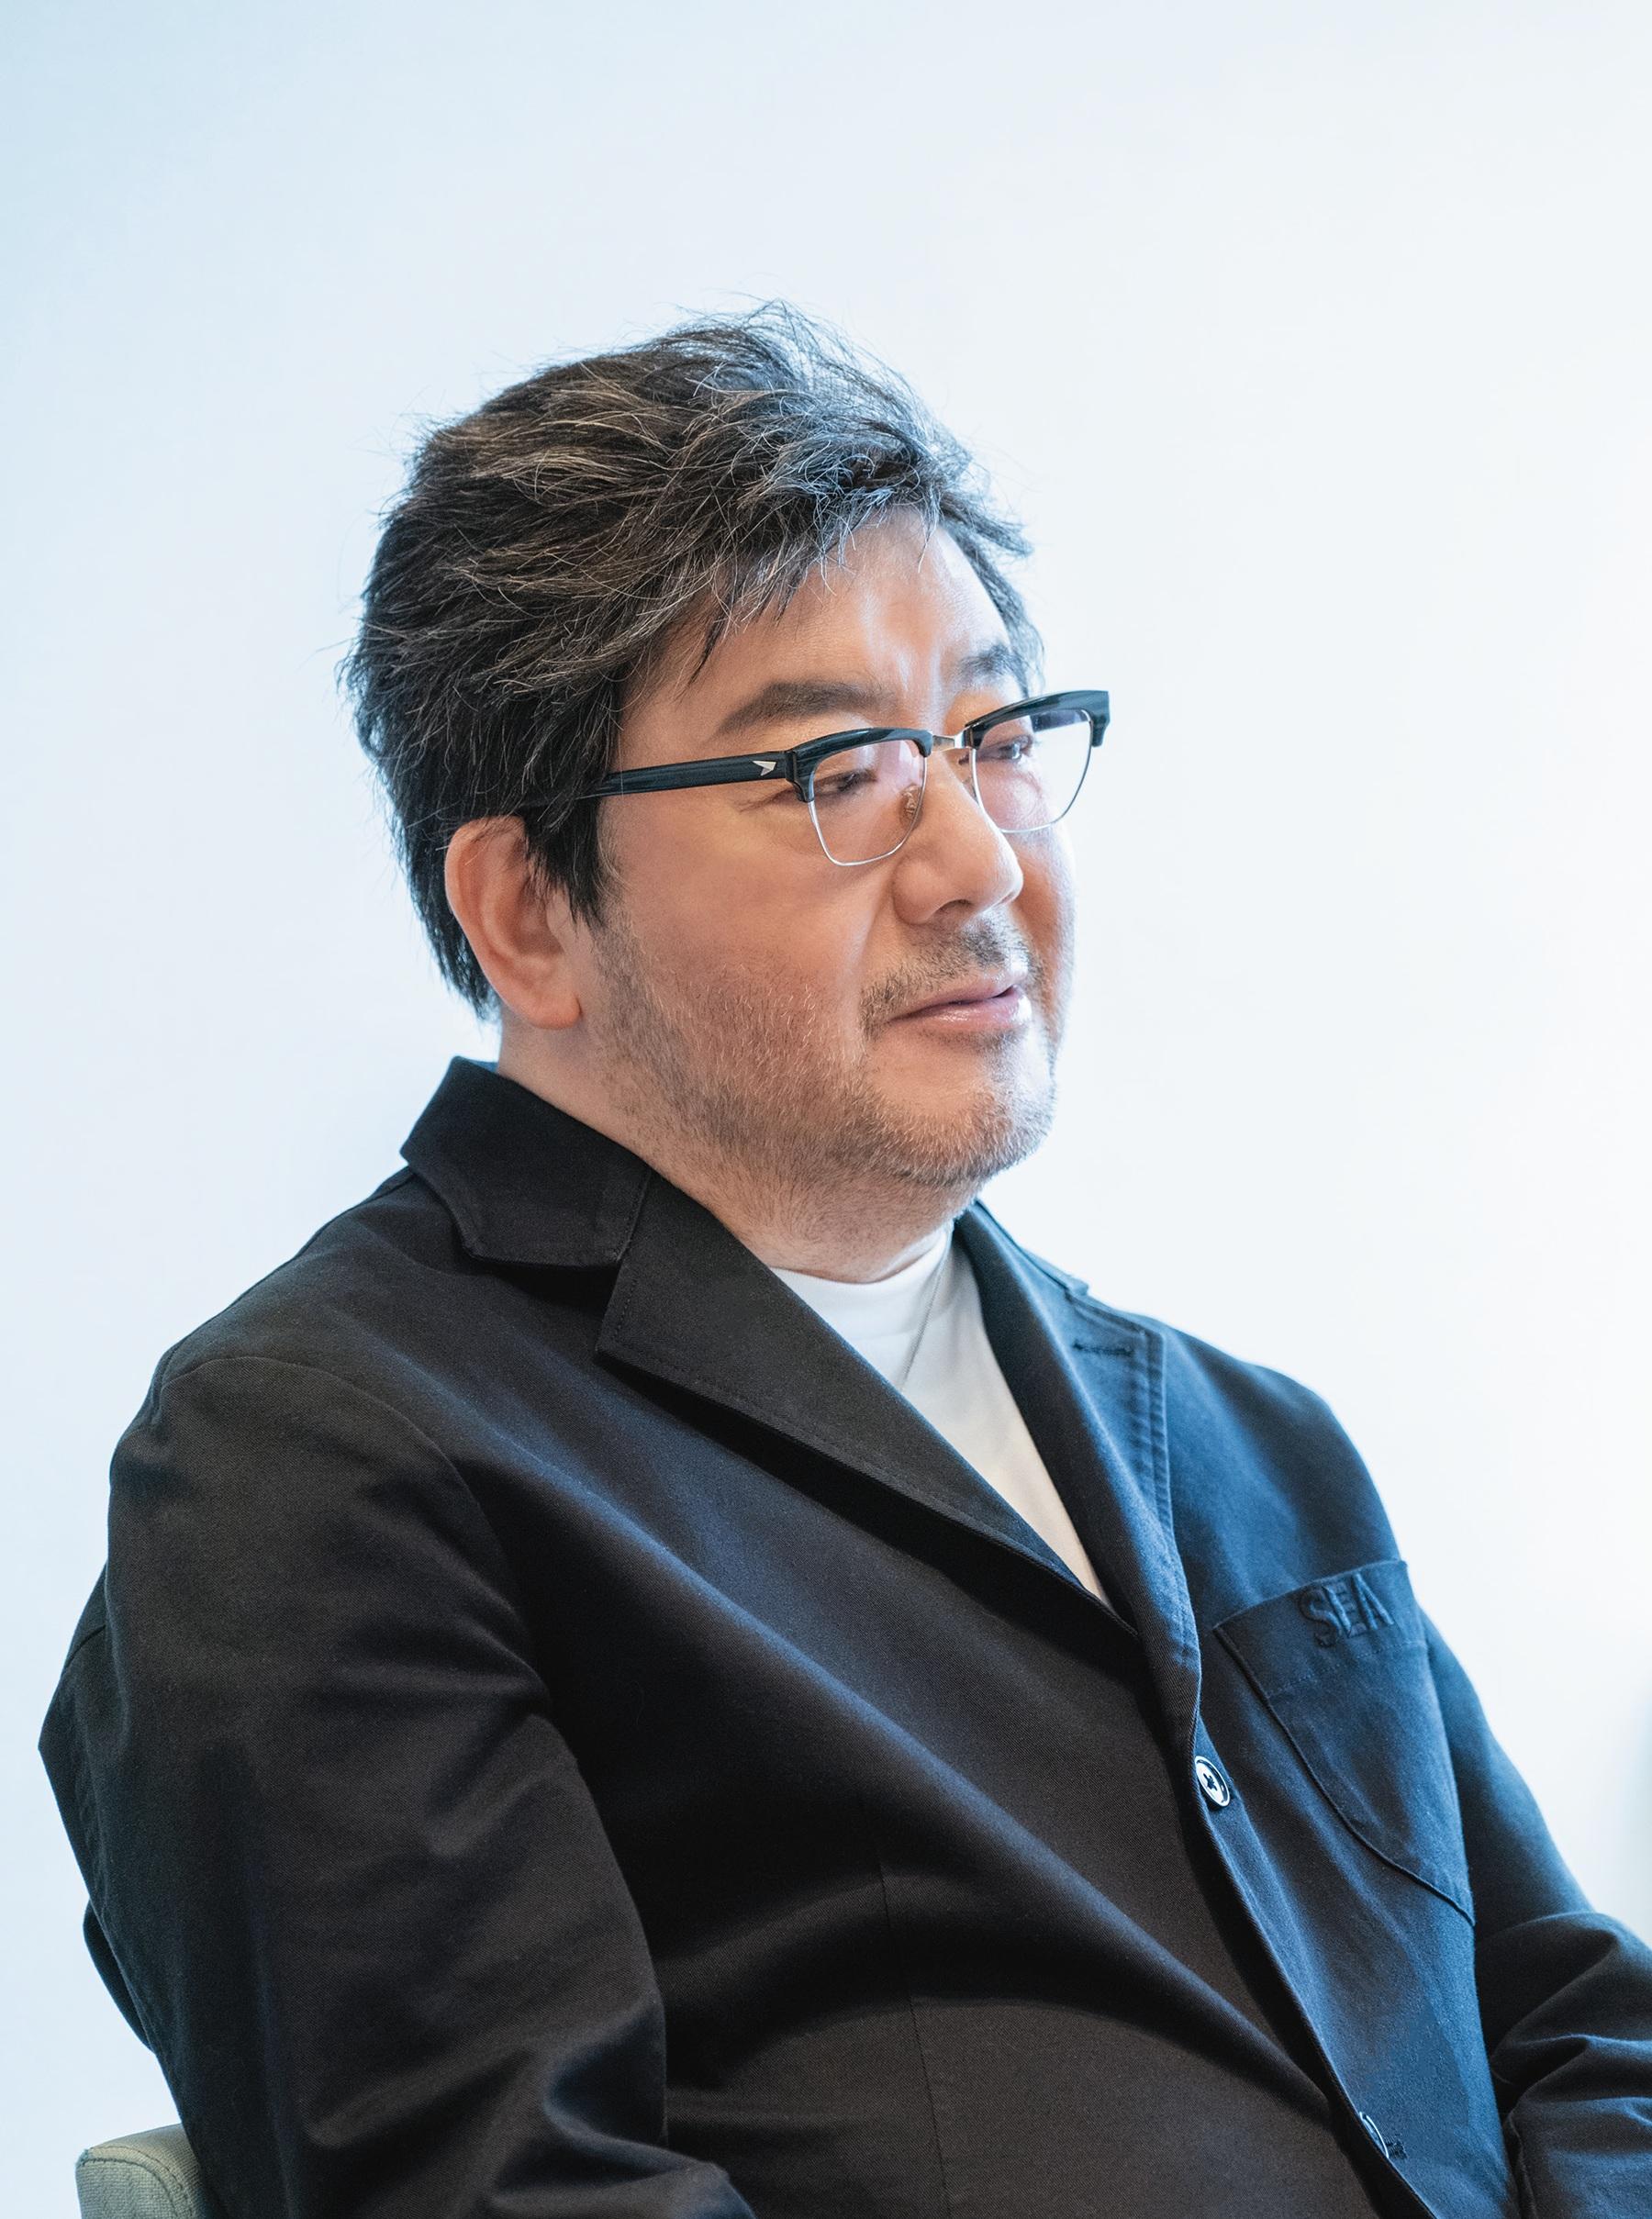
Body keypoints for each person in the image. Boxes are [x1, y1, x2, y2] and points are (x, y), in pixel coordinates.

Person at [39, 303, 1652, 2219]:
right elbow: (518, 2194)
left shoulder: (1249, 1440)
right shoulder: (328, 1461)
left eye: (998, 738)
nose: (980, 861)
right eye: (840, 769)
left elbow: (1582, 2036)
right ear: (529, 910)